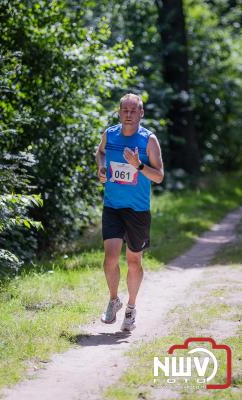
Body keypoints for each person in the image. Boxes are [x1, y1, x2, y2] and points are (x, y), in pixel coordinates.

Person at [95, 93, 164, 331]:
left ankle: (131, 308)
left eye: (134, 111)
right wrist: (101, 167)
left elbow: (159, 176)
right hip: (112, 206)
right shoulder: (110, 134)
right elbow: (100, 151)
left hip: (137, 210)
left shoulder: (148, 140)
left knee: (134, 260)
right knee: (111, 257)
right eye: (125, 110)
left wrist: (140, 166)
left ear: (141, 114)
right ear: (119, 111)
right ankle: (114, 300)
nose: (129, 114)